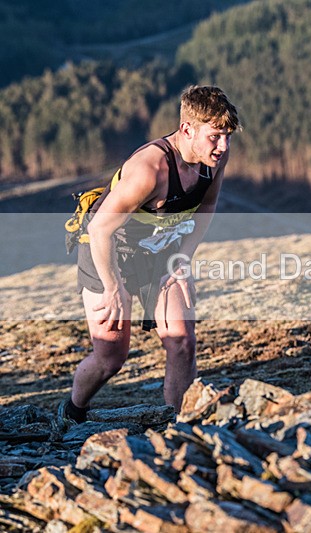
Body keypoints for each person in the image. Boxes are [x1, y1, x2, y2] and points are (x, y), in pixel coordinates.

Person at [58, 85, 240, 425]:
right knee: (111, 357)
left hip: (161, 250)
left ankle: (181, 427)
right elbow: (99, 230)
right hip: (109, 251)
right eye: (215, 137)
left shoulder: (214, 159)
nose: (223, 146)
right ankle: (73, 411)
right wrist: (113, 287)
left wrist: (182, 259)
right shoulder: (150, 169)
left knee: (182, 342)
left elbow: (207, 207)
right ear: (187, 129)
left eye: (227, 137)